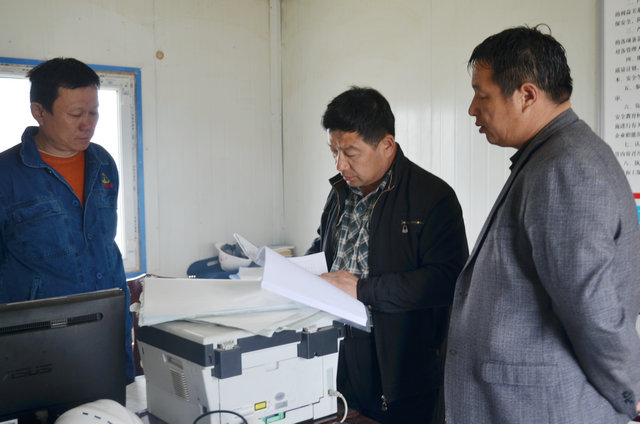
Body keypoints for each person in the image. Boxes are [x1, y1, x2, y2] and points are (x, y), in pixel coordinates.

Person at [444, 25, 640, 423]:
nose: (472, 109)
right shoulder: (553, 155)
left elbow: (592, 306)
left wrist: (631, 392)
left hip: (541, 408)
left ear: (527, 95)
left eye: (482, 95)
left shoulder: (564, 167)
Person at [307, 86, 468, 423]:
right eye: (334, 151)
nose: (340, 164)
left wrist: (362, 290)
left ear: (386, 145)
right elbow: (325, 245)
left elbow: (447, 280)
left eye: (350, 153)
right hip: (336, 351)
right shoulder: (340, 191)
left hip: (396, 366)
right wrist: (297, 271)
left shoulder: (432, 197)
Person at [0, 57, 135, 382]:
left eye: (94, 112)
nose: (87, 124)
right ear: (39, 112)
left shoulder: (103, 162)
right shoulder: (7, 175)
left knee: (114, 405)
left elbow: (101, 240)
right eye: (76, 114)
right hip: (40, 339)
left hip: (108, 325)